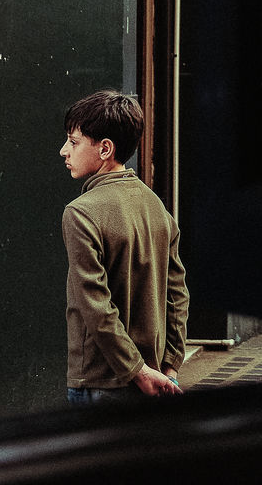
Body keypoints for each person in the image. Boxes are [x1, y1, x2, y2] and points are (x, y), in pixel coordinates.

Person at [59, 90, 189, 405]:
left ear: (105, 148)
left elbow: (97, 307)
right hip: (154, 375)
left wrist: (137, 370)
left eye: (74, 142)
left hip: (99, 380)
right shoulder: (154, 205)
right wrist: (169, 364)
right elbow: (178, 295)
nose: (64, 151)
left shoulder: (80, 213)